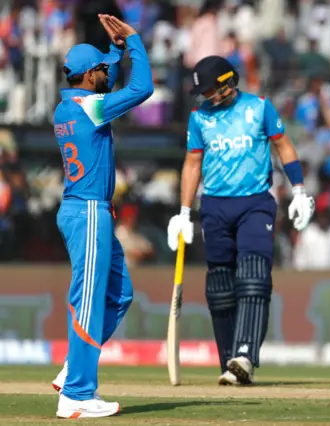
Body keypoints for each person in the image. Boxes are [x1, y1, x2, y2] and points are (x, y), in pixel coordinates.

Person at [166, 56, 315, 386]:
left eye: (209, 90)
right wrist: (184, 212)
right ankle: (229, 360)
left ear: (225, 83)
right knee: (220, 286)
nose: (205, 97)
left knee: (253, 276)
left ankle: (244, 355)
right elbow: (192, 164)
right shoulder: (199, 118)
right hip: (215, 206)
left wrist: (300, 191)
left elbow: (283, 147)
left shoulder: (259, 107)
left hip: (254, 203)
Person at [50, 15, 154, 419]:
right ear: (90, 75)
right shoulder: (91, 107)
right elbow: (142, 88)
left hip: (88, 210)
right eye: (103, 71)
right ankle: (76, 394)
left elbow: (98, 79)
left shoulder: (67, 105)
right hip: (88, 210)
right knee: (88, 301)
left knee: (119, 294)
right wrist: (134, 42)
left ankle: (74, 370)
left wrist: (112, 52)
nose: (107, 76)